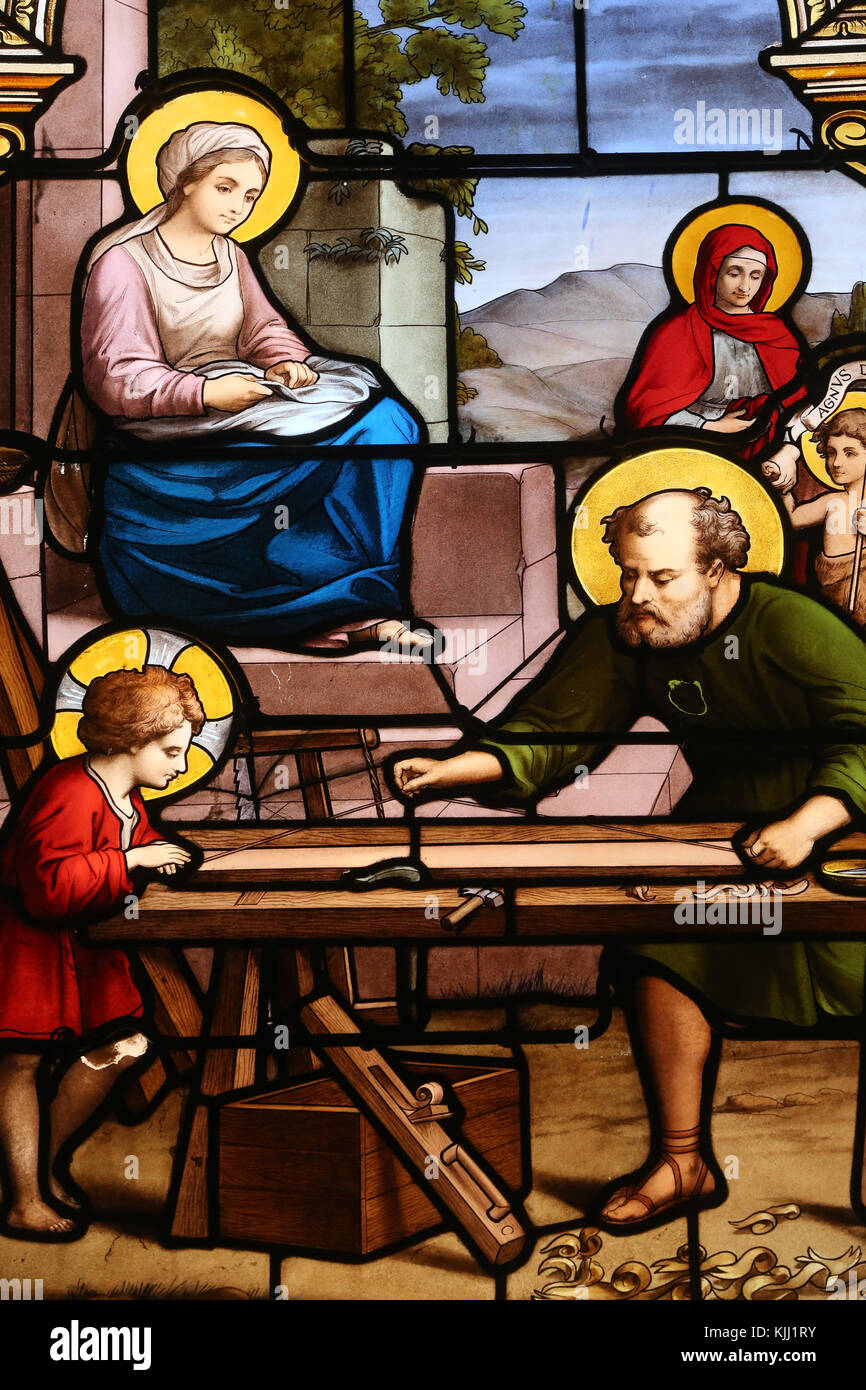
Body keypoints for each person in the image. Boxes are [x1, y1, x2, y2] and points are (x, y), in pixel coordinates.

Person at [392, 487, 866, 1229]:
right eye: (627, 574)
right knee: (659, 949)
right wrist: (459, 770)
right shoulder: (632, 631)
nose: (638, 595)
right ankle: (683, 1162)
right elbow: (552, 731)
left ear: (717, 569)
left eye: (662, 577)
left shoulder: (793, 626)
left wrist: (812, 820)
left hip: (846, 829)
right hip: (720, 830)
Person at [80, 121, 430, 652]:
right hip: (168, 435)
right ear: (184, 182)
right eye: (226, 188)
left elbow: (262, 330)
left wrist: (287, 362)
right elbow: (116, 378)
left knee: (387, 422)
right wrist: (202, 394)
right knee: (344, 434)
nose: (239, 206)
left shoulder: (230, 256)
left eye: (251, 194)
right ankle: (294, 605)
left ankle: (363, 598)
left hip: (240, 400)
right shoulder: (123, 263)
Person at [0, 665, 200, 1238]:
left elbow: (128, 841)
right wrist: (131, 863)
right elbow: (48, 888)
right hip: (29, 952)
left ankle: (40, 1167)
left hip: (81, 950)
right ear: (133, 740)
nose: (180, 766)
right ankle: (22, 1198)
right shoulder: (68, 790)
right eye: (171, 751)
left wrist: (151, 850)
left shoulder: (122, 794)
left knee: (126, 1043)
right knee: (20, 1063)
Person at [621, 224, 805, 459]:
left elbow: (802, 404)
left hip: (770, 450)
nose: (745, 287)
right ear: (712, 272)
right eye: (734, 272)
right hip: (691, 447)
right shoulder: (677, 331)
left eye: (755, 275)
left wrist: (788, 452)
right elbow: (645, 411)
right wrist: (708, 428)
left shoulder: (778, 336)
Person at [779, 408, 866, 625]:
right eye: (831, 452)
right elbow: (791, 520)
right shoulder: (832, 501)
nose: (836, 463)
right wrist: (783, 487)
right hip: (834, 596)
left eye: (849, 453)